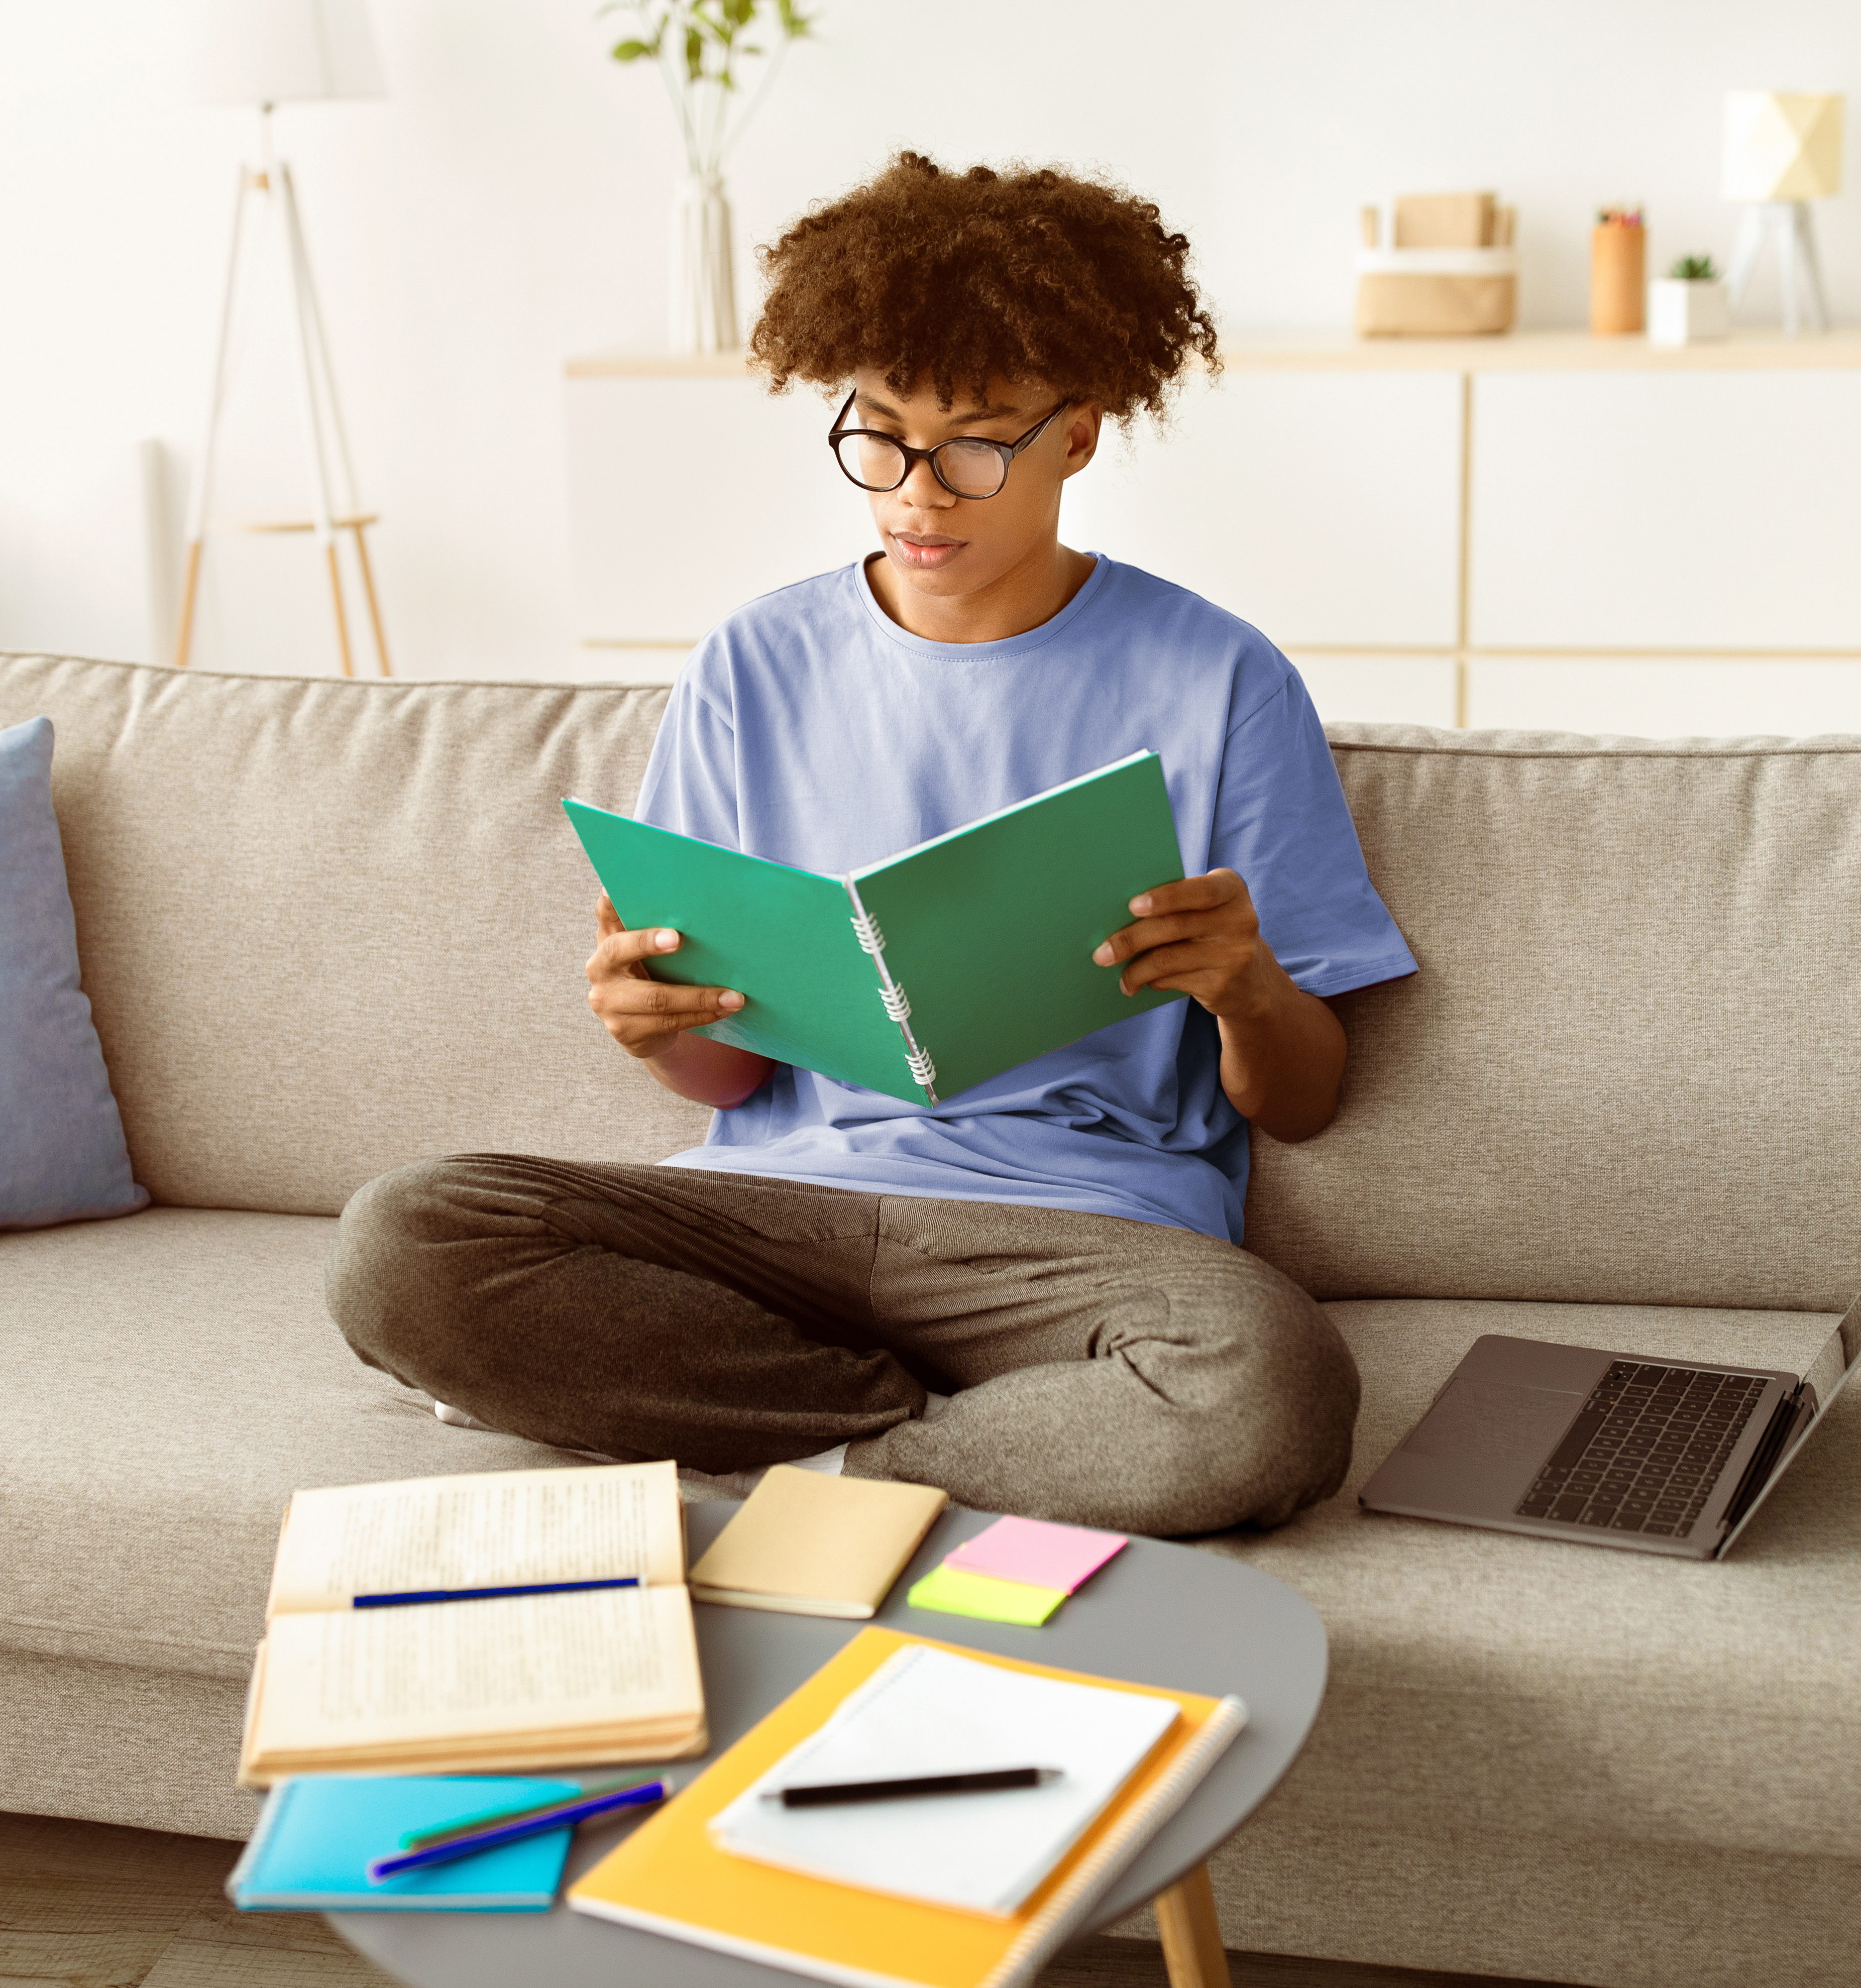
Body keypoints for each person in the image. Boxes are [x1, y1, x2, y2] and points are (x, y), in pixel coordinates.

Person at [329, 152, 1416, 1535]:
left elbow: (1305, 1102)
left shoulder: (1218, 679)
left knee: (1266, 1395)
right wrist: (657, 1026)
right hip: (776, 1219)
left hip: (1078, 1237)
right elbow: (722, 1074)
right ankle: (958, 1445)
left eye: (974, 441)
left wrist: (1245, 984)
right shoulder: (752, 663)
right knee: (404, 1241)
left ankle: (812, 1459)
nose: (916, 492)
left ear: (1077, 435)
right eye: (879, 433)